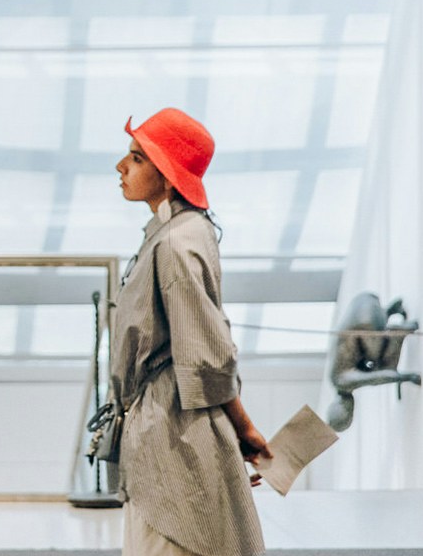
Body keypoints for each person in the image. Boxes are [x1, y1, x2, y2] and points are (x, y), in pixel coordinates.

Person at [112, 108, 272, 556]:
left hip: (175, 437)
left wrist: (245, 429)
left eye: (137, 158)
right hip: (164, 432)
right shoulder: (172, 234)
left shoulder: (177, 242)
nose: (121, 167)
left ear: (167, 174)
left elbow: (204, 358)